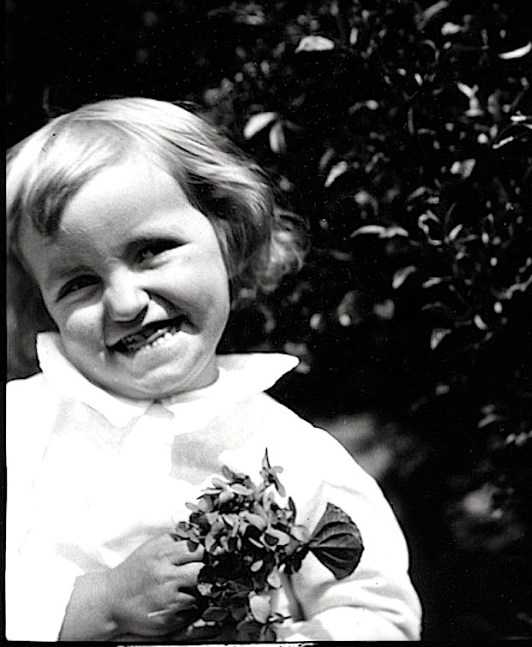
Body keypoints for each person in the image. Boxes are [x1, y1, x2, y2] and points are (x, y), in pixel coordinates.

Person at [5, 97, 422, 642]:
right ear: (44, 307)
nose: (126, 302)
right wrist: (93, 607)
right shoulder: (22, 429)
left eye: (152, 250)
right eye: (79, 283)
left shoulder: (293, 454)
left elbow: (376, 614)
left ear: (226, 240)